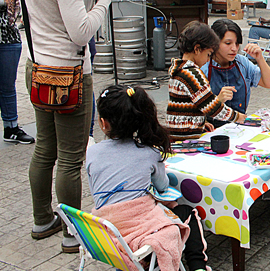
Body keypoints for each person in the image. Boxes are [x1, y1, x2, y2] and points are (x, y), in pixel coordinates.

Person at [10, 0, 110, 252]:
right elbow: (82, 32)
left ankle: (42, 221)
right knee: (71, 158)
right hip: (68, 76)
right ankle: (72, 234)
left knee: (44, 152)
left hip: (36, 70)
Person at [87, 85, 213, 271]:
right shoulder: (149, 153)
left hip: (105, 232)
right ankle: (198, 267)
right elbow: (163, 186)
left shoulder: (91, 152)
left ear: (103, 123)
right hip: (141, 230)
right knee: (187, 212)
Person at [167, 21, 246, 141]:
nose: (208, 59)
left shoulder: (179, 70)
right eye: (208, 54)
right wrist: (237, 117)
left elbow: (189, 106)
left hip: (178, 132)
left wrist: (201, 123)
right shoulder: (193, 74)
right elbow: (212, 106)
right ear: (197, 49)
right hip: (187, 137)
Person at [201, 19, 270, 117]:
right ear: (214, 43)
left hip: (240, 124)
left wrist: (260, 58)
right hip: (211, 127)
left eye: (237, 43)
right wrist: (217, 101)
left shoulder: (242, 62)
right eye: (228, 43)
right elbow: (194, 111)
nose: (234, 48)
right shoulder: (203, 67)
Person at [0, 0, 34, 144]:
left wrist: (10, 0)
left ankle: (11, 127)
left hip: (9, 36)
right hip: (8, 33)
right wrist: (5, 0)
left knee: (7, 86)